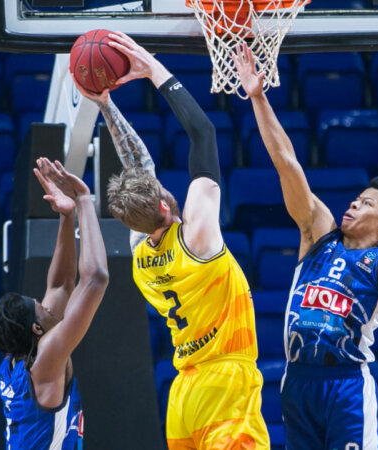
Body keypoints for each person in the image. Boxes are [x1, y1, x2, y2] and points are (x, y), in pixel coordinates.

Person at [74, 32, 270, 449]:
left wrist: (105, 106)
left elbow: (138, 167)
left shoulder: (139, 251)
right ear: (165, 207)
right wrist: (152, 69)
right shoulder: (197, 233)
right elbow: (203, 134)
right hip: (225, 382)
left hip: (183, 394)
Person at [233, 44, 378, 448]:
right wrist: (258, 96)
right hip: (298, 380)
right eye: (356, 198)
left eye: (366, 202)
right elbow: (287, 162)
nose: (354, 203)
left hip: (346, 386)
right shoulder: (318, 233)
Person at [0, 158, 109, 449]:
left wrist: (66, 218)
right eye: (41, 306)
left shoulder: (15, 363)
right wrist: (83, 202)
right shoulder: (46, 359)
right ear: (37, 329)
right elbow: (96, 279)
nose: (48, 304)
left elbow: (62, 285)